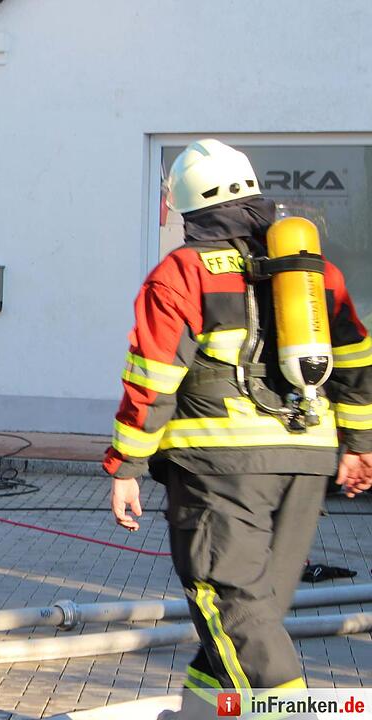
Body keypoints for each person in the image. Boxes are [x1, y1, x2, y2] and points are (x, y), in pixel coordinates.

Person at [105, 139, 372, 716]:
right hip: (306, 464)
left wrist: (126, 465)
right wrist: (358, 446)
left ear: (185, 205)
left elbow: (153, 378)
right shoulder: (314, 271)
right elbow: (356, 361)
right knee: (254, 615)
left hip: (220, 467)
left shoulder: (183, 272)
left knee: (232, 611)